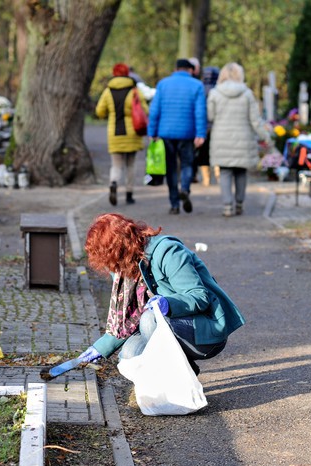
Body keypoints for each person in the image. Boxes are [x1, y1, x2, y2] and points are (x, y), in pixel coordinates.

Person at [76, 213, 245, 375]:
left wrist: (168, 303)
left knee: (150, 319)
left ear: (119, 249)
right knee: (128, 355)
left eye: (109, 259)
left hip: (204, 330)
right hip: (168, 326)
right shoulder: (124, 266)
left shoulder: (168, 252)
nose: (110, 268)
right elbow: (127, 320)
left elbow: (199, 297)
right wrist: (100, 348)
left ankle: (180, 379)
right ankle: (179, 376)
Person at [207, 62, 271, 217]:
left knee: (225, 173)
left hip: (221, 138)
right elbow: (255, 120)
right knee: (241, 172)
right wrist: (266, 136)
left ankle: (227, 205)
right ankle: (240, 204)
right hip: (244, 138)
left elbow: (210, 116)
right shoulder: (247, 93)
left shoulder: (215, 93)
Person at [147, 58, 207, 214]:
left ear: (176, 68)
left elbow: (154, 111)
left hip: (165, 132)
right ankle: (185, 189)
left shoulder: (163, 84)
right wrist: (200, 133)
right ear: (190, 70)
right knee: (187, 163)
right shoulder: (197, 85)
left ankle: (174, 204)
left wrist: (152, 132)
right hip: (187, 133)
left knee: (171, 168)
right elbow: (200, 111)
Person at [96, 63, 148, 206]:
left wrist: (110, 113)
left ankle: (113, 183)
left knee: (116, 165)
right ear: (127, 74)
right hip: (132, 133)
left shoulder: (108, 91)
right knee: (130, 164)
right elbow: (145, 109)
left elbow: (99, 111)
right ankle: (129, 194)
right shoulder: (134, 91)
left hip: (114, 133)